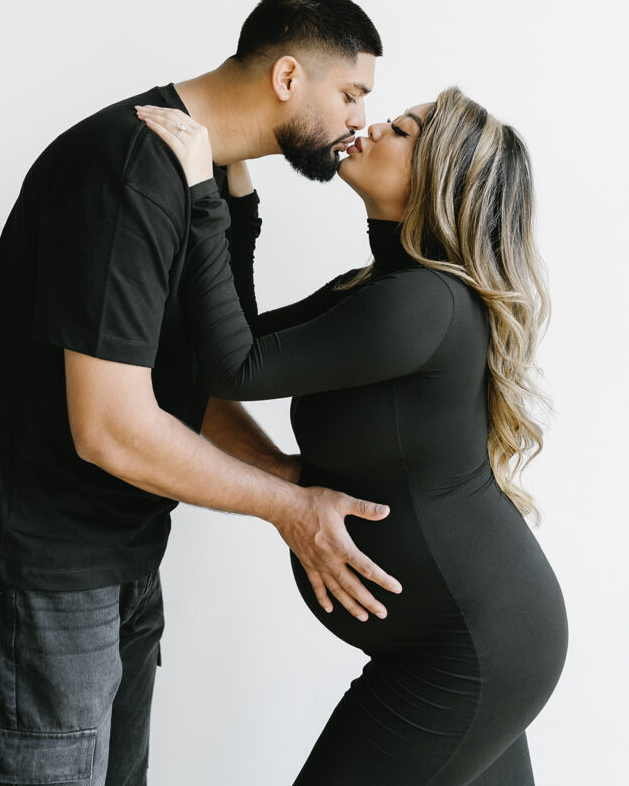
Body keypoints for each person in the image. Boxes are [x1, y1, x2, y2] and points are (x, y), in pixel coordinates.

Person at [0, 0, 406, 786]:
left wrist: (289, 477)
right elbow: (112, 426)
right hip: (42, 571)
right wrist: (287, 510)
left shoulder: (207, 178)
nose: (357, 122)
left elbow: (186, 383)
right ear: (288, 78)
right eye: (352, 94)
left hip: (119, 556)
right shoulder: (125, 173)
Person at [136, 87, 569, 786]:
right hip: (461, 641)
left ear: (436, 177)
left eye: (399, 130)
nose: (371, 127)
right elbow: (231, 346)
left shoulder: (421, 302)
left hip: (470, 649)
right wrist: (237, 199)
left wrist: (199, 192)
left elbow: (232, 366)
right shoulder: (378, 287)